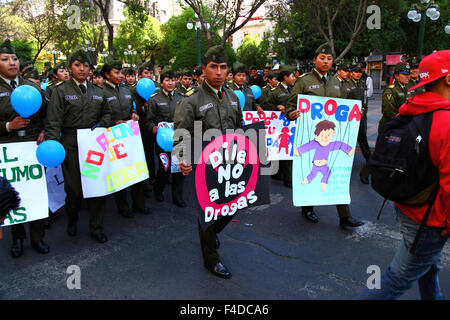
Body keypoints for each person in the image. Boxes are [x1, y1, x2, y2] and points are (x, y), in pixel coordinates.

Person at [356, 49, 450, 300]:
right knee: (396, 280)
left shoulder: (411, 108)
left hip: (407, 205)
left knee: (429, 267)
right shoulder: (445, 121)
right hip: (431, 219)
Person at [174, 45, 243, 279]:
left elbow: (241, 128)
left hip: (229, 164)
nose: (219, 72)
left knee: (231, 206)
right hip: (203, 166)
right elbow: (180, 133)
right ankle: (211, 260)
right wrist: (182, 159)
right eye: (214, 67)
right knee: (208, 212)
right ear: (204, 69)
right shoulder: (191, 100)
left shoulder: (233, 97)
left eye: (223, 67)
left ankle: (212, 235)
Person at [285, 42, 364, 229]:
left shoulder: (336, 82)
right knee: (310, 172)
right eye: (322, 58)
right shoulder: (303, 81)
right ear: (315, 60)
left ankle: (345, 216)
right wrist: (291, 113)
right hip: (310, 137)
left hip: (331, 137)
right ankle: (307, 208)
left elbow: (343, 106)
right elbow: (290, 106)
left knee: (336, 173)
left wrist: (355, 113)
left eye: (329, 58)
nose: (326, 61)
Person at [45, 47, 111, 244]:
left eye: (85, 66)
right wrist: (53, 145)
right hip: (70, 143)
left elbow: (107, 114)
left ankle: (96, 228)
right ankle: (72, 220)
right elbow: (53, 121)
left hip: (94, 143)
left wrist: (102, 123)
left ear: (90, 69)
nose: (82, 69)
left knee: (97, 187)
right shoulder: (60, 91)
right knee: (74, 189)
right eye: (77, 65)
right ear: (70, 67)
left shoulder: (99, 91)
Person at [0, 39, 50, 257]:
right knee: (15, 195)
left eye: (14, 58)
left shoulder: (32, 87)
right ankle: (17, 239)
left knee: (36, 193)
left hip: (33, 147)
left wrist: (44, 131)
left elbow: (50, 114)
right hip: (8, 151)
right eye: (4, 59)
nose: (11, 62)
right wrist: (8, 126)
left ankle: (38, 238)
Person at [101, 57, 151, 219]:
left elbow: (131, 109)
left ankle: (139, 204)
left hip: (129, 136)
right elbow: (98, 117)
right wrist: (112, 123)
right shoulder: (100, 92)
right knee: (119, 172)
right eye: (117, 72)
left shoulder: (126, 90)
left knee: (136, 169)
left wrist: (133, 115)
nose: (121, 75)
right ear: (107, 74)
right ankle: (123, 207)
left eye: (122, 72)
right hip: (112, 137)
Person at [147, 67, 186, 208]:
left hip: (179, 138)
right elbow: (149, 120)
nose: (170, 83)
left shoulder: (182, 98)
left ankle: (178, 197)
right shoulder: (154, 99)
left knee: (179, 168)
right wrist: (153, 128)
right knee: (165, 167)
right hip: (162, 141)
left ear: (176, 81)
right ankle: (158, 190)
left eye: (173, 80)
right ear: (161, 82)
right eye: (167, 80)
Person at [262, 64, 297, 188]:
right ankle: (288, 179)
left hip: (293, 125)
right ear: (286, 77)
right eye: (293, 76)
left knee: (289, 152)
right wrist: (276, 108)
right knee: (285, 151)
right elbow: (265, 106)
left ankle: (278, 173)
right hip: (280, 127)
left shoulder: (295, 90)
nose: (294, 79)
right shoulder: (275, 92)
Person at [347, 62, 372, 184]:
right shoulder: (346, 84)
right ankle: (346, 162)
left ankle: (369, 159)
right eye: (355, 72)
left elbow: (365, 99)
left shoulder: (362, 84)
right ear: (351, 72)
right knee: (349, 139)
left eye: (359, 72)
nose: (358, 74)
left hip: (361, 116)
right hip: (350, 117)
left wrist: (364, 109)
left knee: (363, 137)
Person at [378, 62, 411, 132]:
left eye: (408, 74)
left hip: (403, 126)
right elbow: (388, 112)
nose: (408, 77)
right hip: (391, 127)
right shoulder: (391, 90)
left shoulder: (406, 88)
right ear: (396, 76)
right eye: (405, 74)